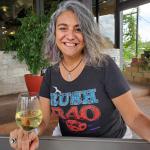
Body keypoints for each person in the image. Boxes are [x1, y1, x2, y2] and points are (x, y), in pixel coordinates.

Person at [10, 1, 150, 149]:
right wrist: (32, 132)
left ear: (87, 34)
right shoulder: (50, 74)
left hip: (111, 142)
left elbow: (134, 118)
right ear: (54, 33)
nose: (70, 36)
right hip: (68, 142)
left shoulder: (104, 66)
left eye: (78, 29)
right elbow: (43, 120)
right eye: (63, 28)